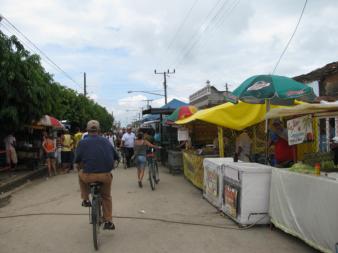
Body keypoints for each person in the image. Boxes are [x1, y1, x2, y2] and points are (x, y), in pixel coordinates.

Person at [75, 120, 119, 230]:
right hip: (105, 176)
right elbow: (116, 157)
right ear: (99, 130)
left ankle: (85, 199)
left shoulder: (82, 142)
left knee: (80, 173)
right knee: (106, 197)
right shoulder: (106, 141)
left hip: (88, 176)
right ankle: (108, 221)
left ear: (87, 130)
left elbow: (77, 160)